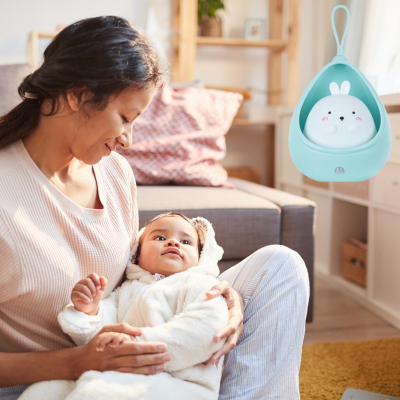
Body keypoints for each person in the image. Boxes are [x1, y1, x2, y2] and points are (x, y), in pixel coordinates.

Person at [0, 16, 309, 400]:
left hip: (144, 363)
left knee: (281, 267)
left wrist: (217, 293)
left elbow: (137, 274)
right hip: (54, 384)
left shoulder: (114, 172)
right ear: (76, 94)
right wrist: (79, 362)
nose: (128, 140)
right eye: (125, 118)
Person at [20, 212, 230, 400]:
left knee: (100, 393)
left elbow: (206, 329)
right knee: (43, 391)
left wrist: (135, 345)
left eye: (185, 241)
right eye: (160, 237)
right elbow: (97, 337)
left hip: (180, 382)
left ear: (200, 258)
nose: (173, 243)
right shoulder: (126, 291)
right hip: (117, 370)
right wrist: (90, 311)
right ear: (137, 255)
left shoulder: (200, 285)